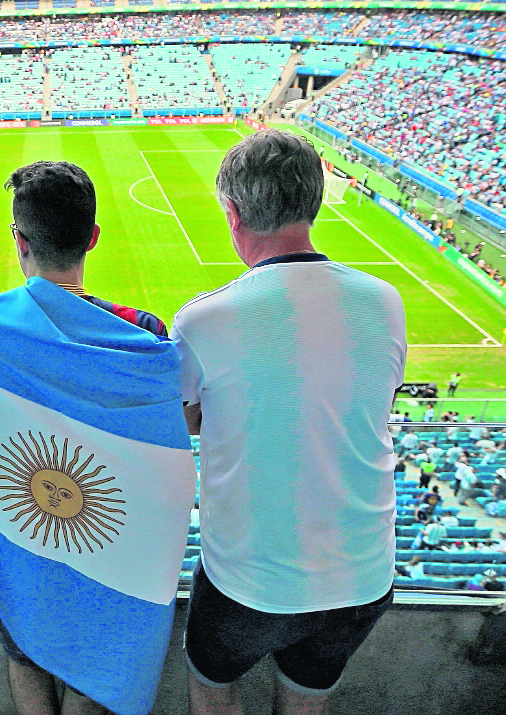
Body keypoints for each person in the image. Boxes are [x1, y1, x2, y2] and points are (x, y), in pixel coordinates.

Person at [0, 160, 193, 715]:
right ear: (92, 238)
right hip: (112, 551)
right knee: (93, 672)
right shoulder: (145, 335)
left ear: (19, 241)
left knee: (24, 655)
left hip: (23, 545)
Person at [173, 131, 405, 715]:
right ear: (314, 201)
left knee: (212, 687)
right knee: (306, 699)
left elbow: (186, 422)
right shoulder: (386, 300)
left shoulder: (206, 318)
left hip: (251, 581)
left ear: (232, 213)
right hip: (363, 576)